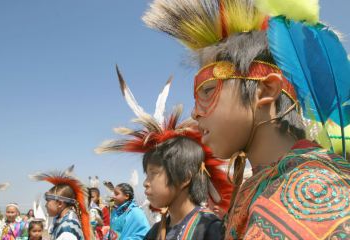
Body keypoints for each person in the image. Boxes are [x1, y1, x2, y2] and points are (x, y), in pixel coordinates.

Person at [143, 0, 350, 239]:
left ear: (266, 90)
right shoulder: (269, 184)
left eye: (208, 91)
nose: (194, 113)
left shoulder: (312, 194)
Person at [95, 69, 225, 239]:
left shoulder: (210, 229)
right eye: (146, 175)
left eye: (154, 174)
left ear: (185, 177)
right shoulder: (155, 232)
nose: (145, 184)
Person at [30, 166, 91, 240]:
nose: (45, 205)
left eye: (48, 200)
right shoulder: (63, 221)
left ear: (59, 204)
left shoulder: (67, 229)